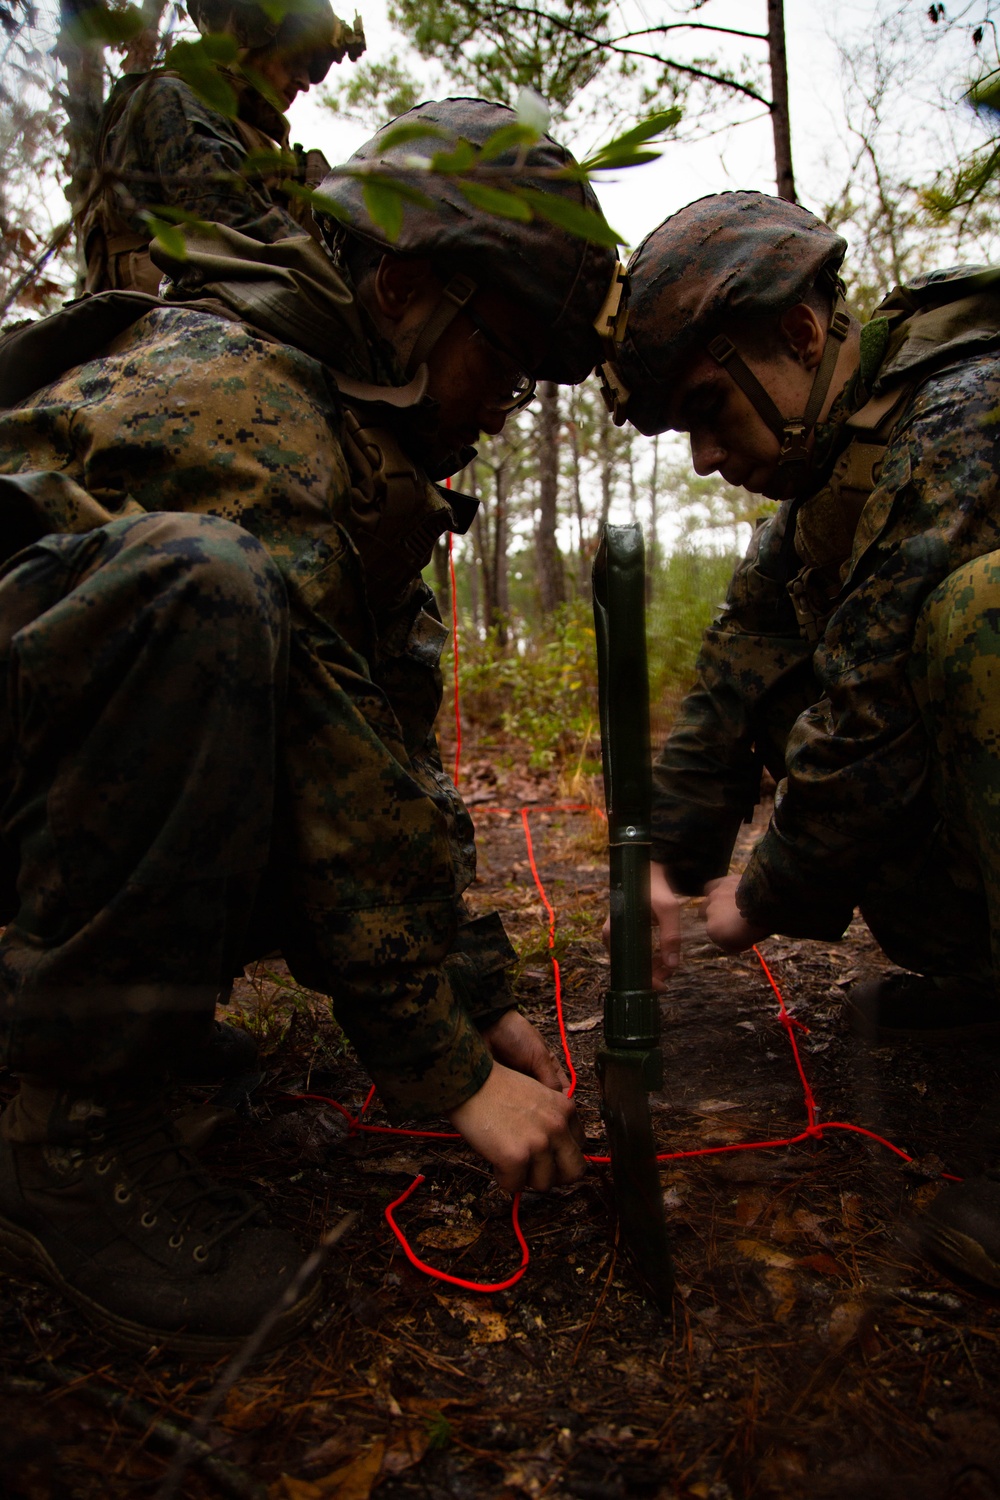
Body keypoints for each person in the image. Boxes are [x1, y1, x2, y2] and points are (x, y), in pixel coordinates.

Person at [0, 98, 619, 1353]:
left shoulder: (356, 441)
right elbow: (330, 755)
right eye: (499, 358)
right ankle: (54, 1128)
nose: (504, 403)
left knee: (246, 632)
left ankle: (130, 1043)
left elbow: (387, 764)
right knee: (209, 594)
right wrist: (447, 1072)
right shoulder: (241, 394)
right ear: (405, 288)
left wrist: (477, 986)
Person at [600, 189, 1000, 1288]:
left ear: (801, 335)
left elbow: (870, 708)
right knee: (787, 676)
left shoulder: (969, 412)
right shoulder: (822, 497)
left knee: (979, 620)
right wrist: (666, 869)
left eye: (707, 408)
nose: (703, 457)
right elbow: (736, 670)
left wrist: (762, 893)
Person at [79, 0, 366, 293]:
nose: (305, 82)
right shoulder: (168, 100)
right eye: (296, 58)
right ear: (249, 34)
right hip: (167, 323)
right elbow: (235, 226)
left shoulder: (284, 158)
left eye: (314, 69)